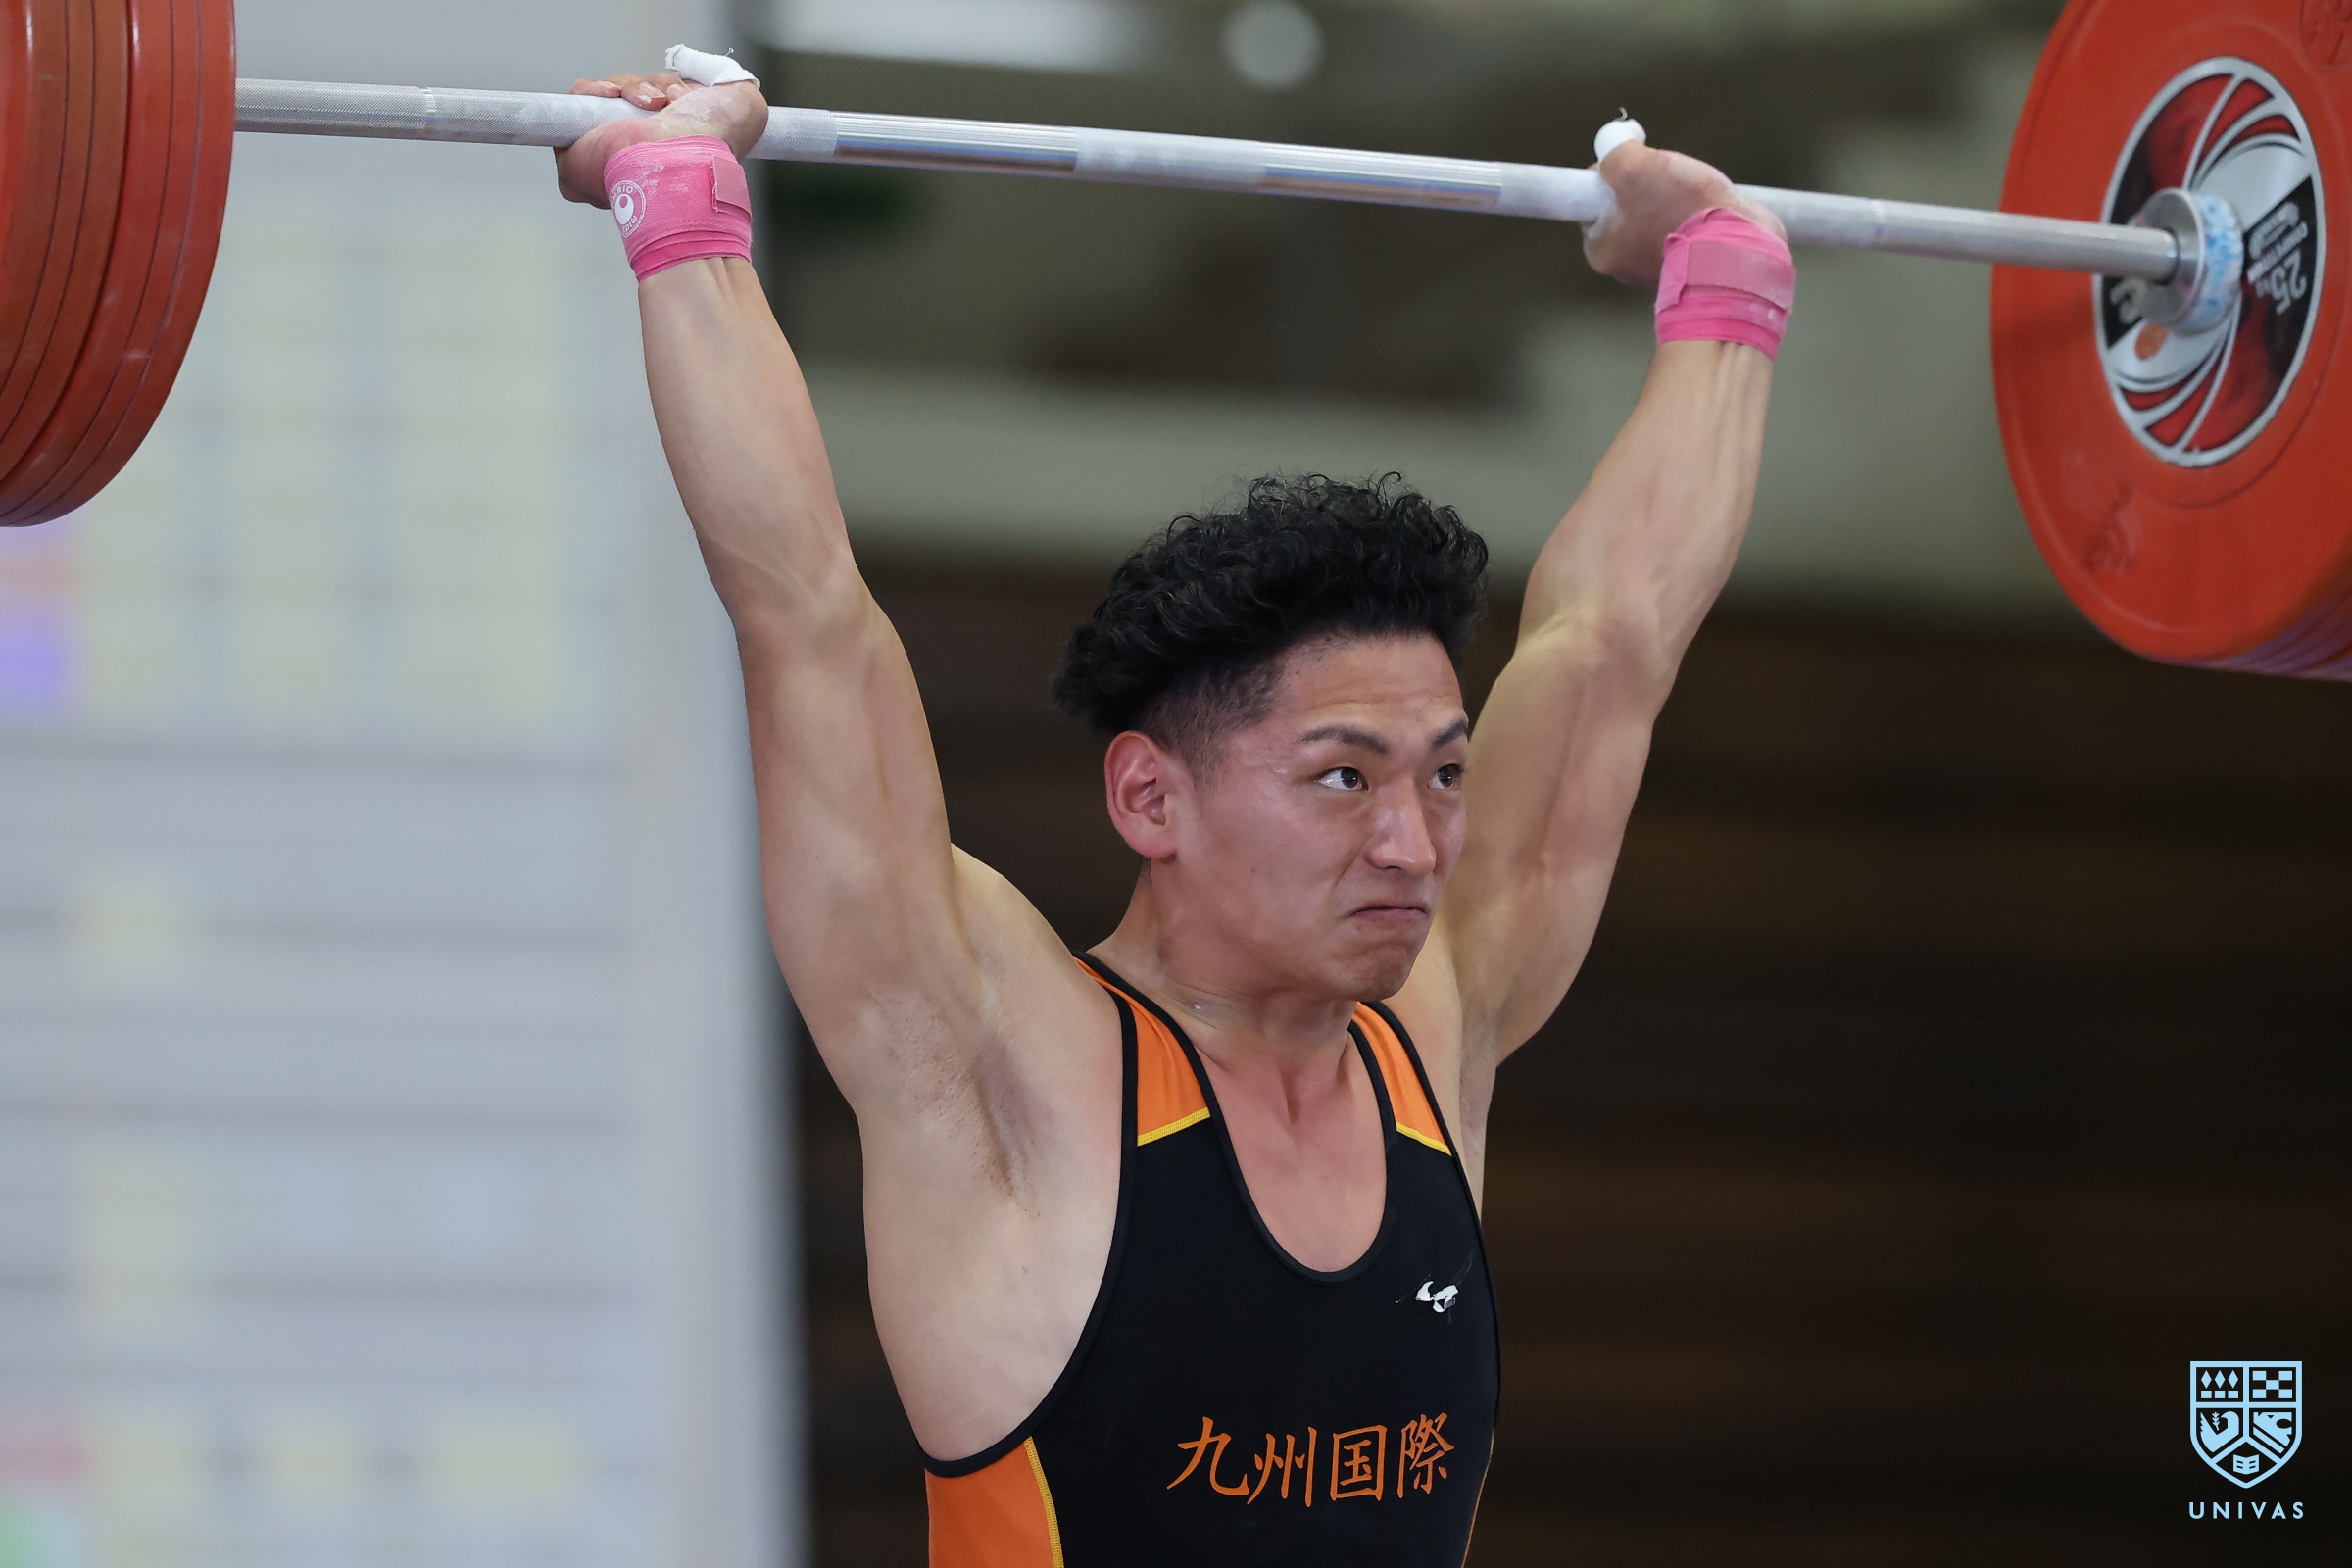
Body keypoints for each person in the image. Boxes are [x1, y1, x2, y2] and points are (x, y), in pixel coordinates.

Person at [557, 58, 1786, 1568]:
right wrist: (684, 209)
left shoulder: (1437, 1021)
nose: (1413, 845)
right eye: (1343, 778)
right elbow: (804, 616)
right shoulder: (992, 1060)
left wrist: (1726, 285)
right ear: (1151, 794)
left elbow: (1615, 642)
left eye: (1444, 775)